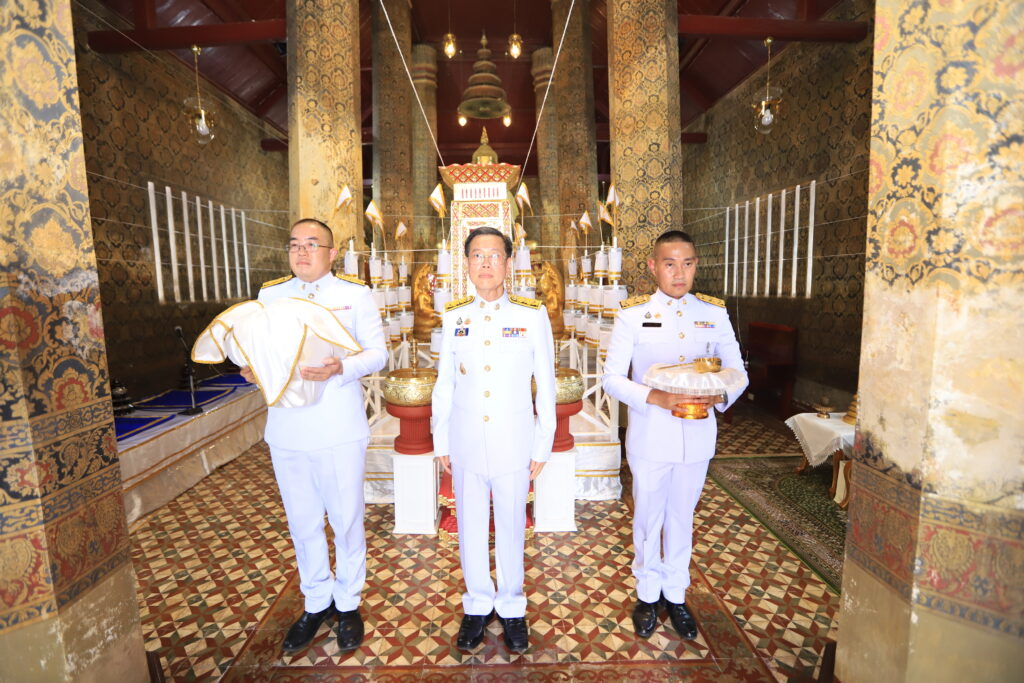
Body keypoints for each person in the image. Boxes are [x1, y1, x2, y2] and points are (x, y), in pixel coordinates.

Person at [240, 218, 387, 654]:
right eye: (294, 245)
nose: (301, 252)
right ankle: (316, 600)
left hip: (337, 427)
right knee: (302, 522)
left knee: (346, 520)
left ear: (332, 253)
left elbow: (377, 353)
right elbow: (258, 351)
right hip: (287, 429)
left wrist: (342, 368)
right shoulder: (270, 296)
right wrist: (252, 369)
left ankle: (348, 602)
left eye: (311, 244)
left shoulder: (353, 295)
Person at [602, 230, 747, 641]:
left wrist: (718, 396)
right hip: (652, 434)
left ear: (696, 265)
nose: (679, 273)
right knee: (649, 517)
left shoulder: (713, 313)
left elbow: (738, 373)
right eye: (669, 264)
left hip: (698, 435)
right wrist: (658, 397)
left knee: (682, 516)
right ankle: (648, 594)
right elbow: (612, 379)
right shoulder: (633, 315)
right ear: (654, 267)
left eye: (687, 263)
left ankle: (676, 593)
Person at [431, 226, 556, 653]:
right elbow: (444, 384)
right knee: (469, 526)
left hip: (514, 442)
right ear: (466, 264)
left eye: (494, 255)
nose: (485, 263)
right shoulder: (454, 316)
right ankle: (477, 604)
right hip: (465, 441)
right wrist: (441, 438)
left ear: (508, 262)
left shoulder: (531, 315)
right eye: (477, 255)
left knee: (511, 525)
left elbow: (547, 384)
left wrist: (542, 442)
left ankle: (513, 606)